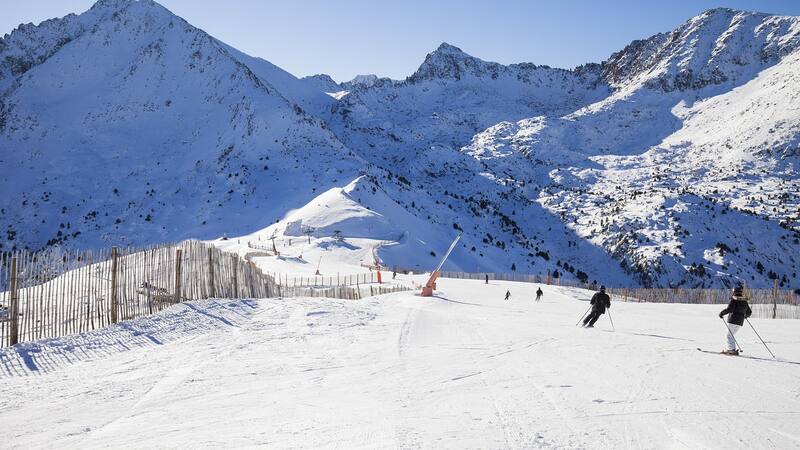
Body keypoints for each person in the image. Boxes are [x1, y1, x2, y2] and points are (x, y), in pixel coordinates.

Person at [719, 284, 752, 355]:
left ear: (734, 292)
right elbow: (749, 312)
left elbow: (729, 309)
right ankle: (731, 349)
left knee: (728, 335)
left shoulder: (734, 299)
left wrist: (721, 313)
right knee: (731, 335)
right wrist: (744, 316)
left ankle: (731, 350)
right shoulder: (744, 301)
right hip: (740, 322)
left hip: (733, 320)